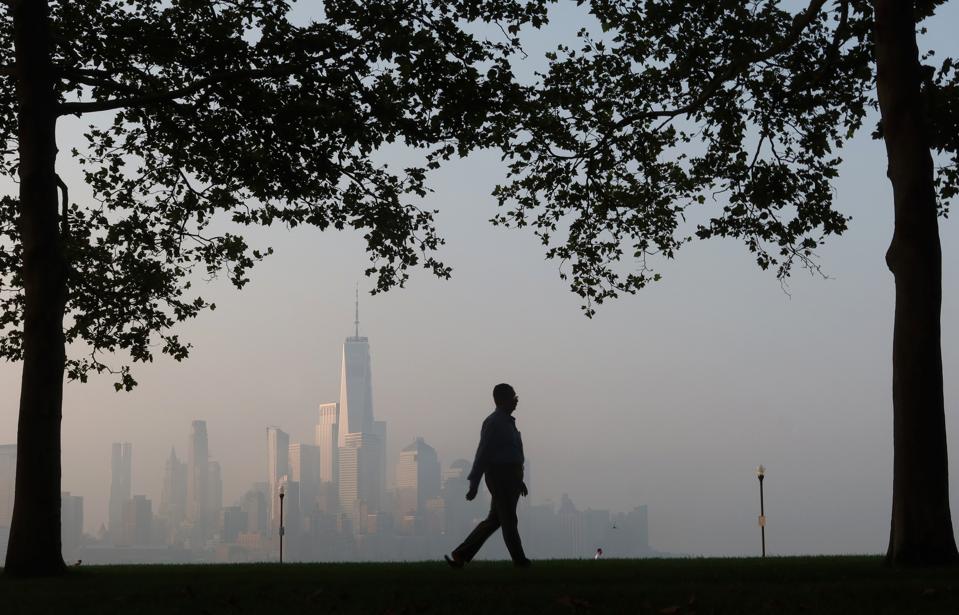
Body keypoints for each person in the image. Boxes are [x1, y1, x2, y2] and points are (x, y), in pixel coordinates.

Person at [444, 383, 531, 568]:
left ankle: (461, 554)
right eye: (513, 397)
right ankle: (520, 561)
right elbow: (482, 453)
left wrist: (519, 480)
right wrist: (474, 483)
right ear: (503, 400)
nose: (516, 400)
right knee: (508, 519)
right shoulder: (494, 422)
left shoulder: (508, 423)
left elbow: (514, 454)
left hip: (511, 477)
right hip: (500, 477)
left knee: (495, 520)